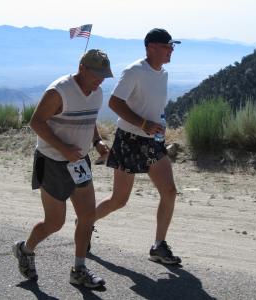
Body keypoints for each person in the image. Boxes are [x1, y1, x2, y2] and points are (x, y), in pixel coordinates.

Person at [12, 49, 112, 288]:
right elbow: (35, 122)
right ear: (82, 68)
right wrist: (64, 148)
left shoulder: (96, 93)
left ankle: (79, 269)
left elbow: (89, 118)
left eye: (104, 74)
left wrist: (97, 141)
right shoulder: (59, 91)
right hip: (53, 162)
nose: (100, 79)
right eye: (96, 74)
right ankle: (25, 249)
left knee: (87, 216)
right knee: (55, 223)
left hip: (79, 162)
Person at [93, 28, 182, 265]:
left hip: (153, 142)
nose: (171, 50)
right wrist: (143, 123)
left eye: (173, 46)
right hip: (129, 141)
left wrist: (157, 124)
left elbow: (153, 106)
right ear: (151, 47)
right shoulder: (134, 71)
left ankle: (158, 246)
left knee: (170, 191)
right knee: (119, 201)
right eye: (167, 46)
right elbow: (114, 102)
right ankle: (85, 222)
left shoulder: (162, 73)